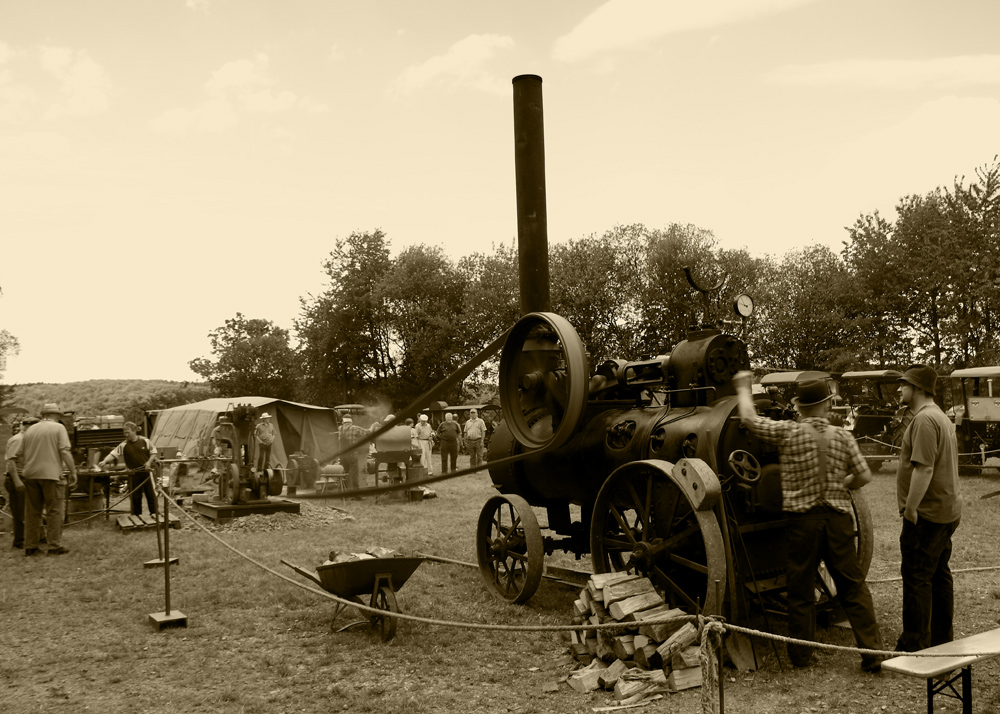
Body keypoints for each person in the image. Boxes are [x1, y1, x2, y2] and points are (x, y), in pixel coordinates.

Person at [734, 373, 884, 673]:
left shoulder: (789, 433)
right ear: (827, 406)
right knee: (853, 588)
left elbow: (750, 420)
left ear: (800, 408)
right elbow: (865, 476)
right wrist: (843, 482)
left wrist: (742, 387)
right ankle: (872, 653)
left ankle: (802, 657)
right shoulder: (843, 437)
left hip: (802, 523)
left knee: (800, 589)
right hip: (838, 520)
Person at [894, 364, 962, 652]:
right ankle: (941, 639)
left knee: (916, 577)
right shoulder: (941, 417)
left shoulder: (923, 421)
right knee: (938, 573)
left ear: (919, 389)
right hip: (946, 511)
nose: (899, 389)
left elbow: (924, 469)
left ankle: (914, 645)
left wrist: (910, 510)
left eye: (904, 384)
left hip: (928, 514)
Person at [16, 404, 77, 556]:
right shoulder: (58, 428)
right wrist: (73, 471)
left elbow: (19, 454)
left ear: (43, 415)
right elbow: (64, 450)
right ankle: (54, 547)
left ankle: (31, 547)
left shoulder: (30, 430)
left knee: (32, 512)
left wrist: (28, 467)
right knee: (54, 511)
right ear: (57, 415)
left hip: (31, 475)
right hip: (51, 475)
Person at [100, 421, 158, 518]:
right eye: (125, 433)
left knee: (151, 494)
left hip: (147, 473)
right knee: (135, 496)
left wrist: (148, 462)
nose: (126, 435)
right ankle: (137, 516)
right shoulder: (123, 445)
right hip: (133, 473)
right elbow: (113, 454)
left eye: (128, 432)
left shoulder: (145, 441)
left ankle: (154, 514)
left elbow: (154, 452)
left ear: (134, 431)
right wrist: (105, 461)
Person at [4, 419, 31, 549]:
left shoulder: (26, 439)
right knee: (19, 513)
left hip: (24, 477)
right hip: (17, 478)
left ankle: (36, 537)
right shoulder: (18, 440)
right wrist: (17, 481)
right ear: (25, 427)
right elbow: (11, 462)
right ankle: (19, 541)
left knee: (27, 511)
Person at [338, 416, 369, 494]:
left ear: (343, 422)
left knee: (343, 474)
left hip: (342, 455)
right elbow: (367, 432)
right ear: (351, 422)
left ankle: (342, 493)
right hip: (351, 454)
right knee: (354, 474)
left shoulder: (340, 428)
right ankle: (356, 494)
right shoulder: (354, 428)